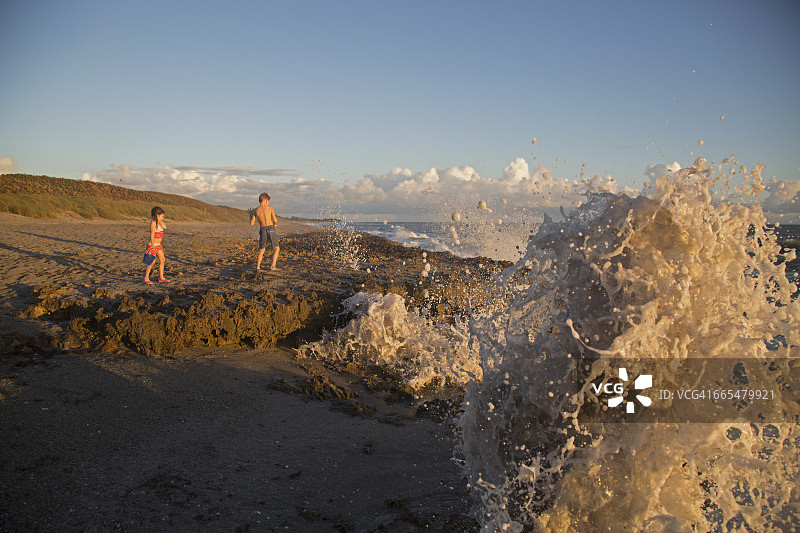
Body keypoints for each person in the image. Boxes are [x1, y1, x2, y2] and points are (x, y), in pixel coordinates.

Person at [250, 192, 280, 272]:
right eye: (268, 202)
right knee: (276, 248)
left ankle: (258, 267)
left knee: (261, 249)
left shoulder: (255, 210)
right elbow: (275, 220)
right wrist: (274, 224)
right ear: (266, 201)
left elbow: (251, 223)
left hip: (262, 229)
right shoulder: (269, 208)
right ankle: (273, 266)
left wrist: (250, 215)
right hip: (270, 228)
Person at [144, 206, 170, 284]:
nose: (163, 218)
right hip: (153, 244)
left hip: (158, 245)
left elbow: (165, 227)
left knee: (162, 260)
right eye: (162, 216)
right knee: (151, 262)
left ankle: (161, 277)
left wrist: (160, 221)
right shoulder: (152, 223)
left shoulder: (159, 224)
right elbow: (152, 234)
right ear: (157, 215)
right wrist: (152, 245)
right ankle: (146, 278)